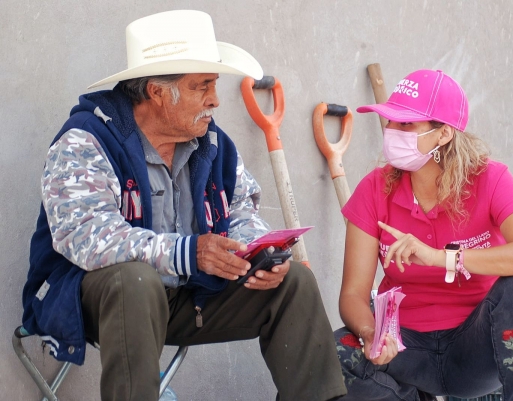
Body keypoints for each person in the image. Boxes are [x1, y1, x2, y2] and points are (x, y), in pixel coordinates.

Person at [21, 10, 346, 401]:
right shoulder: (86, 140)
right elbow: (87, 238)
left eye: (214, 85)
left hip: (187, 298)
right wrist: (188, 253)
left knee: (294, 282)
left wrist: (260, 253)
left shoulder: (213, 143)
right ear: (158, 93)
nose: (215, 100)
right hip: (93, 301)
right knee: (135, 282)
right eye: (202, 87)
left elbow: (241, 210)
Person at [335, 69, 513, 401]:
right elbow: (352, 294)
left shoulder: (489, 178)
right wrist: (372, 334)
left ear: (444, 134)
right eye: (391, 122)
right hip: (404, 347)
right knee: (331, 355)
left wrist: (441, 257)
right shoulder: (373, 189)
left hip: (476, 349)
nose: (392, 131)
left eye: (406, 124)